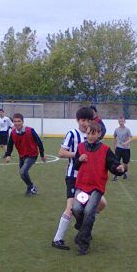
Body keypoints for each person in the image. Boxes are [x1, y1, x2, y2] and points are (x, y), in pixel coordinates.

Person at [51, 106, 107, 250]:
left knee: (102, 204)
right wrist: (78, 155)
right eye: (82, 120)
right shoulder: (72, 134)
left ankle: (84, 225)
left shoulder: (92, 135)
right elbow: (61, 152)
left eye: (88, 120)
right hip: (74, 178)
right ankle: (57, 239)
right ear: (77, 120)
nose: (85, 123)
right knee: (70, 208)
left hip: (88, 180)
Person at [72, 121, 126, 255]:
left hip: (96, 188)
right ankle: (83, 229)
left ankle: (83, 243)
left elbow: (113, 165)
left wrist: (119, 169)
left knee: (89, 211)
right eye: (88, 133)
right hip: (81, 186)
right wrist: (79, 160)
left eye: (93, 133)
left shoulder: (105, 150)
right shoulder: (80, 147)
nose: (90, 136)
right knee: (76, 209)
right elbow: (75, 165)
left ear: (99, 134)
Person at [4, 113, 46, 195]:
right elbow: (10, 144)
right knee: (22, 173)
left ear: (23, 122)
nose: (17, 123)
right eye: (15, 121)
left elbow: (39, 142)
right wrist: (8, 155)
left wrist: (42, 155)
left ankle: (30, 187)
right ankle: (32, 186)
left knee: (23, 171)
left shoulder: (30, 130)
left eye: (19, 121)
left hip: (32, 155)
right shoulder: (13, 133)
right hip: (22, 155)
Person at [112, 116, 134, 181]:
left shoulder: (127, 130)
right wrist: (114, 147)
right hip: (118, 148)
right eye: (119, 121)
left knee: (125, 163)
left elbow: (131, 138)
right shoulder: (116, 130)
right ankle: (115, 175)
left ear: (124, 122)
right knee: (116, 162)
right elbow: (114, 138)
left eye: (122, 121)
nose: (121, 122)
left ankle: (125, 172)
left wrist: (126, 143)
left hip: (126, 149)